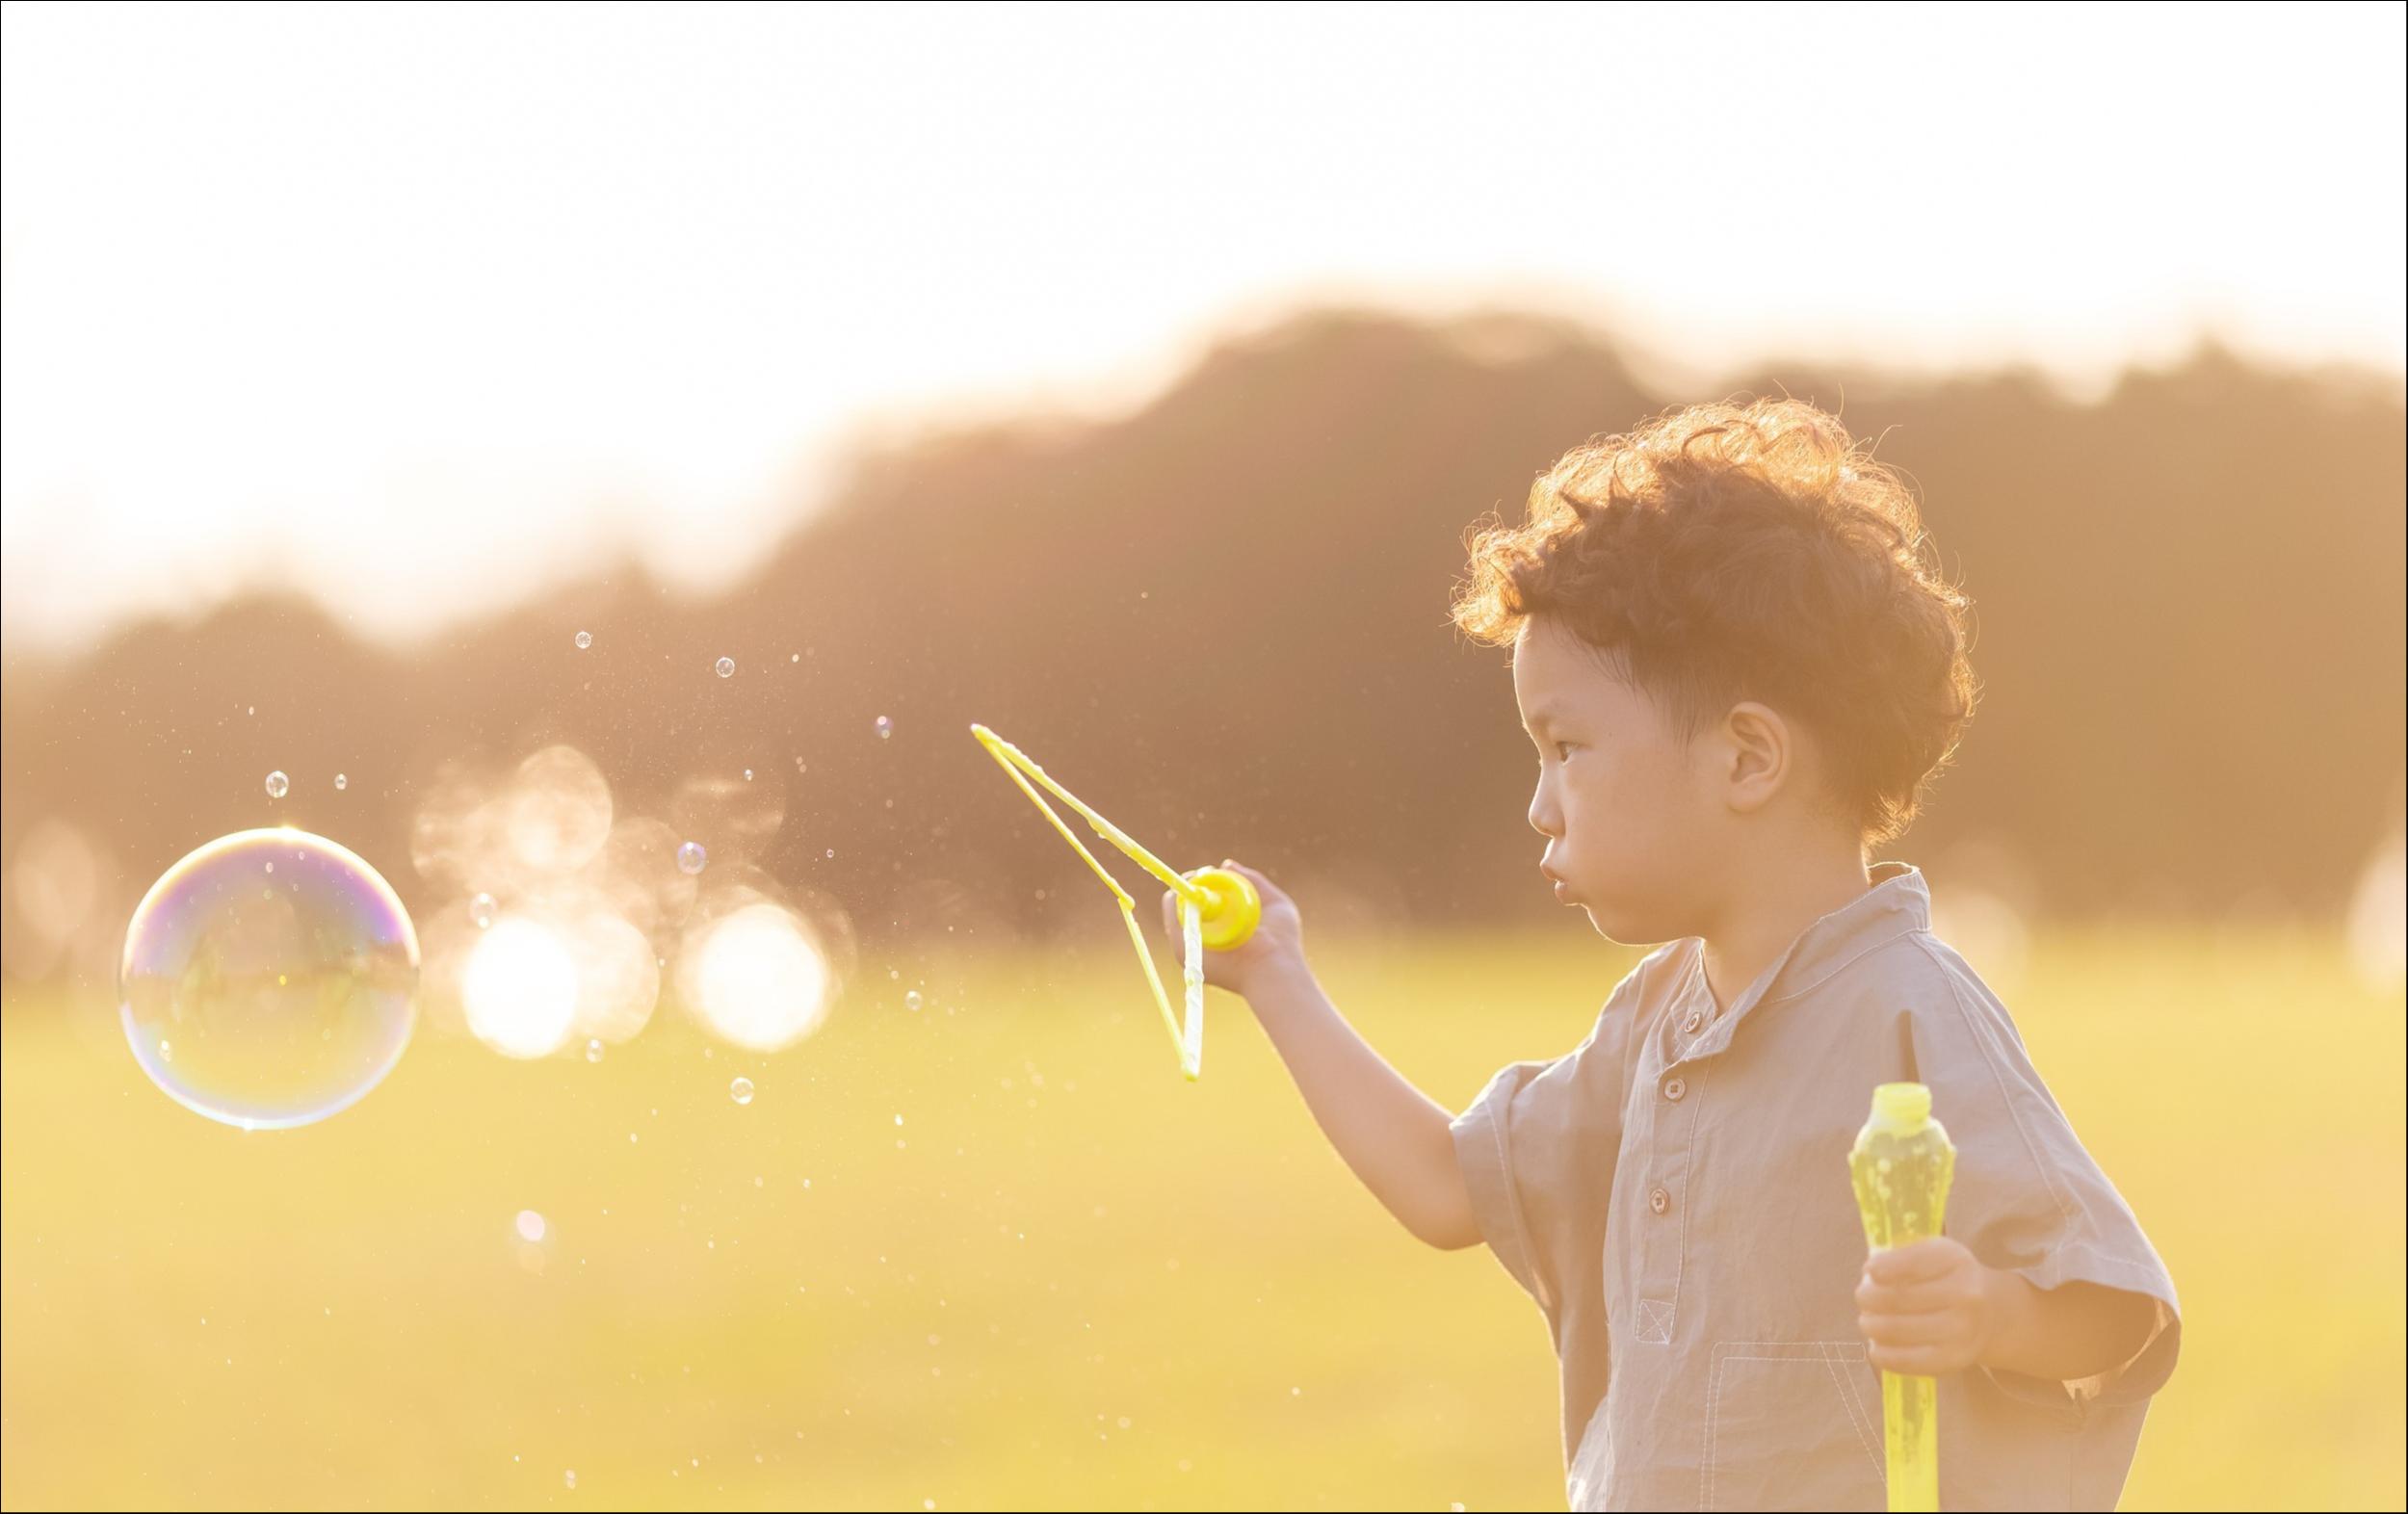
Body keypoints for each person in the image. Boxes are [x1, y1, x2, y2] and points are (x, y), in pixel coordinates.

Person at [1163, 397, 2179, 1511]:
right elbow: (1450, 1189)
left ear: (1746, 759)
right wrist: (1279, 977)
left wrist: (1994, 1311)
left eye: (1568, 748)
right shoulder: (1655, 1023)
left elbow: (2114, 1305)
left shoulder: (1911, 1011)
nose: (1541, 808)